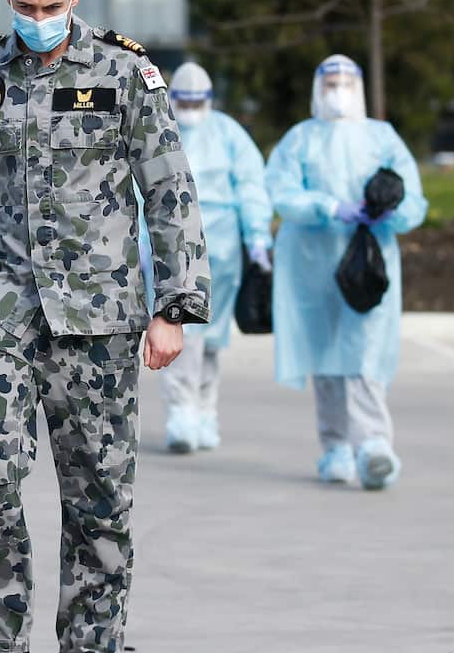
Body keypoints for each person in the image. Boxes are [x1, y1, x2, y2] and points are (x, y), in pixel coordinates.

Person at [0, 0, 209, 653]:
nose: (38, 18)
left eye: (51, 6)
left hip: (102, 314)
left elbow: (170, 190)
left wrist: (174, 306)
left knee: (98, 495)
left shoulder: (125, 74)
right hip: (4, 306)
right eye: (24, 5)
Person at [263, 54, 427, 490]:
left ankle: (374, 444)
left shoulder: (383, 137)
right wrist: (329, 207)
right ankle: (335, 446)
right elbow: (281, 191)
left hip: (368, 262)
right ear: (319, 89)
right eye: (330, 82)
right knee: (326, 357)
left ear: (360, 87)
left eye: (346, 82)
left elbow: (413, 199)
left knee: (365, 350)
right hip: (312, 264)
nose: (338, 90)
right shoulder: (300, 139)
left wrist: (386, 211)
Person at [160, 62, 272, 454]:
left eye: (197, 101)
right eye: (184, 101)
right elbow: (140, 190)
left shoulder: (228, 134)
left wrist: (257, 238)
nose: (190, 108)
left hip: (222, 252)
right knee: (184, 332)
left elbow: (251, 185)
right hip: (174, 250)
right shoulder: (159, 128)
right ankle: (182, 412)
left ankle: (206, 412)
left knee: (210, 339)